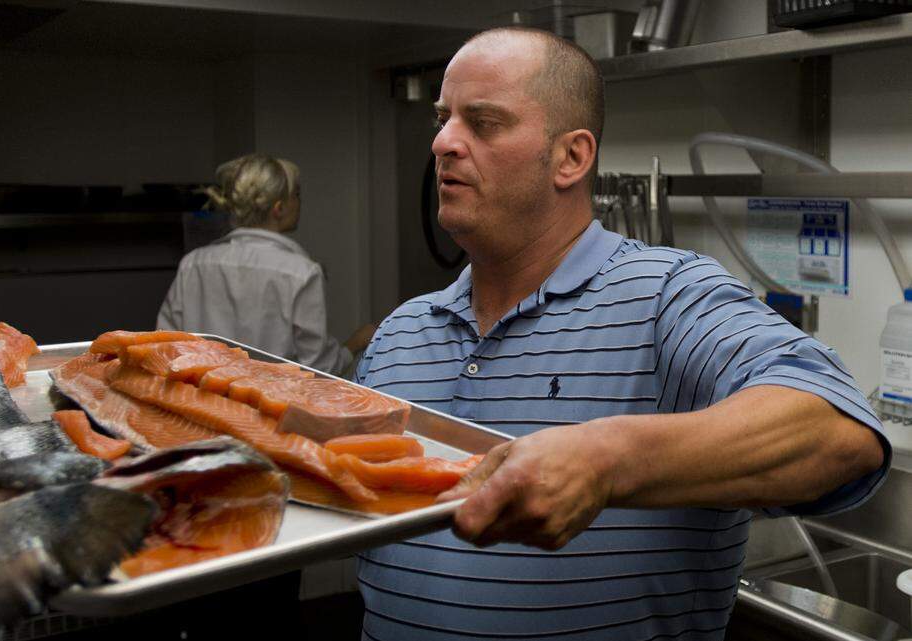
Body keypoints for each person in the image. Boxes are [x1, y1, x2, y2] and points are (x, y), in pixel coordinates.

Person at [354, 27, 890, 641]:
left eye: (485, 122)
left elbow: (838, 432)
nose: (444, 143)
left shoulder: (669, 297)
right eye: (444, 118)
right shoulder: (399, 335)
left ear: (571, 158)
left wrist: (607, 460)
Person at [157, 153, 375, 375]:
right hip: (271, 406)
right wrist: (353, 345)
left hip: (201, 402)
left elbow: (164, 345)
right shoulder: (301, 273)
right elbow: (318, 368)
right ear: (278, 208)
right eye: (296, 194)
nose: (299, 202)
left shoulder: (193, 264)